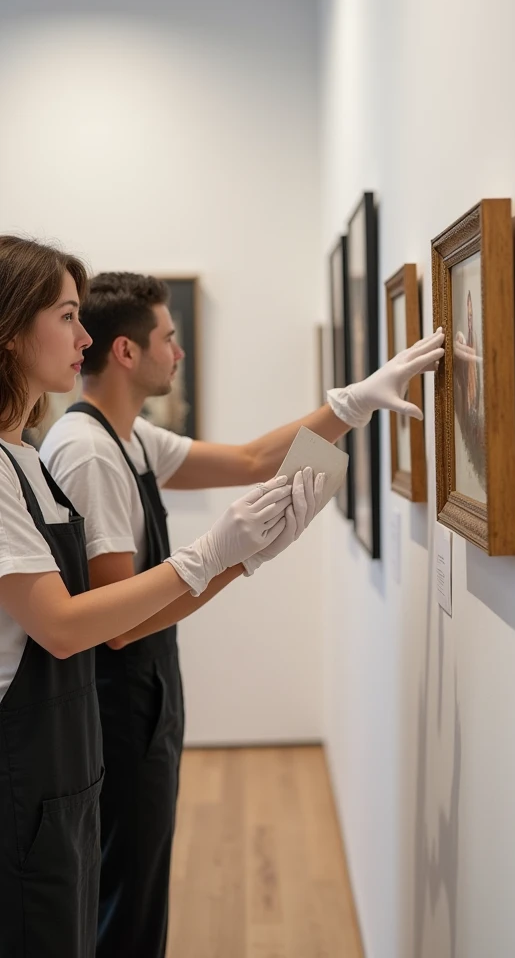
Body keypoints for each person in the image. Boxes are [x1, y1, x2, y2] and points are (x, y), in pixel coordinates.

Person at [41, 270, 445, 958]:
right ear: (129, 354)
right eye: (170, 338)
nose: (181, 350)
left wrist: (352, 406)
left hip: (149, 693)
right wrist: (240, 558)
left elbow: (256, 459)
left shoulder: (131, 438)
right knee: (124, 905)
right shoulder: (89, 453)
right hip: (118, 704)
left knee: (140, 892)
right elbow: (117, 628)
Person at [0, 236, 328, 958]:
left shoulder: (26, 453)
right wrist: (217, 555)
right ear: (12, 330)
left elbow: (248, 460)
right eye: (64, 316)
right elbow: (63, 625)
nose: (82, 338)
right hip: (40, 762)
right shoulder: (61, 453)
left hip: (74, 752)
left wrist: (347, 410)